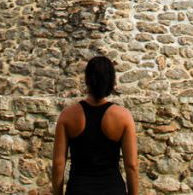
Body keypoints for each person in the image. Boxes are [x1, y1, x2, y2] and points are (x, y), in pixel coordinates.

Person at [52, 56, 139, 195]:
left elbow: (58, 164)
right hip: (113, 190)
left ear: (87, 80)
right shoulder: (123, 117)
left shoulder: (67, 115)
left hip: (79, 189)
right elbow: (131, 165)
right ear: (111, 81)